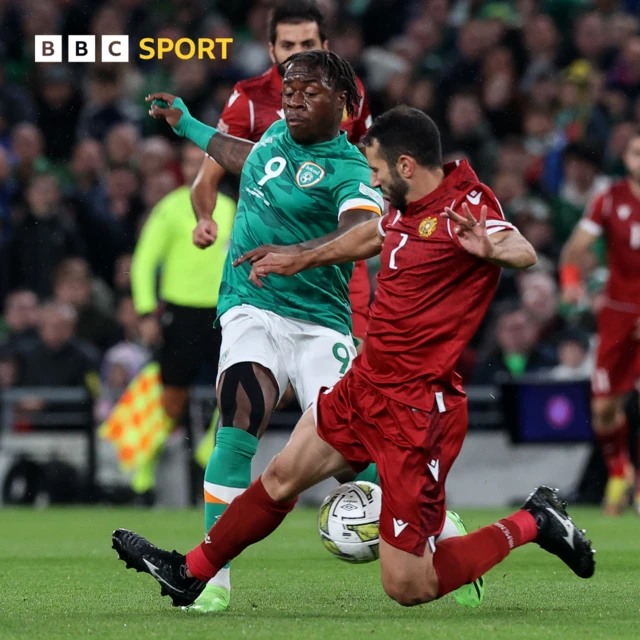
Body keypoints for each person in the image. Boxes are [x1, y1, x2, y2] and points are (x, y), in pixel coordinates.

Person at [112, 107, 595, 611]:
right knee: (280, 477)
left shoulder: (464, 205)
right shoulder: (401, 211)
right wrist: (297, 256)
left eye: (378, 172)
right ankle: (191, 573)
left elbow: (523, 250)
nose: (374, 182)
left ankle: (534, 521)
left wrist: (491, 245)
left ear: (406, 166)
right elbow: (356, 231)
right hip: (364, 387)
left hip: (417, 411)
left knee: (408, 585)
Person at [134, 51, 487, 614]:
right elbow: (246, 158)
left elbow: (367, 230)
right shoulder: (275, 136)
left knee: (354, 455)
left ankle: (441, 529)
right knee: (239, 418)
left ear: (346, 107)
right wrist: (189, 126)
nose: (293, 97)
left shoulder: (351, 168)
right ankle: (210, 584)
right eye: (290, 88)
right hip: (252, 307)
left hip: (321, 323)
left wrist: (298, 254)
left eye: (310, 90)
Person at [191, 0, 372, 347]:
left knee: (349, 371)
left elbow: (370, 160)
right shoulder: (248, 99)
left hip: (337, 253)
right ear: (271, 49)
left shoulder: (350, 92)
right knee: (269, 376)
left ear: (326, 47)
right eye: (288, 46)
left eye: (307, 45)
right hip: (271, 258)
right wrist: (204, 216)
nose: (296, 54)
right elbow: (207, 176)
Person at [130, 143, 236, 496]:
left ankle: (208, 446)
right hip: (181, 314)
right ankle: (145, 458)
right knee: (172, 399)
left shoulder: (230, 208)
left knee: (236, 386)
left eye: (202, 162)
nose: (196, 169)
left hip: (223, 311)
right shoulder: (171, 208)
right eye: (190, 162)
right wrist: (146, 311)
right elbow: (143, 262)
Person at [560, 130, 640, 516]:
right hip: (619, 315)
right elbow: (573, 250)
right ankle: (618, 470)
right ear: (626, 158)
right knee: (605, 407)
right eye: (636, 152)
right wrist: (572, 283)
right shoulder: (609, 199)